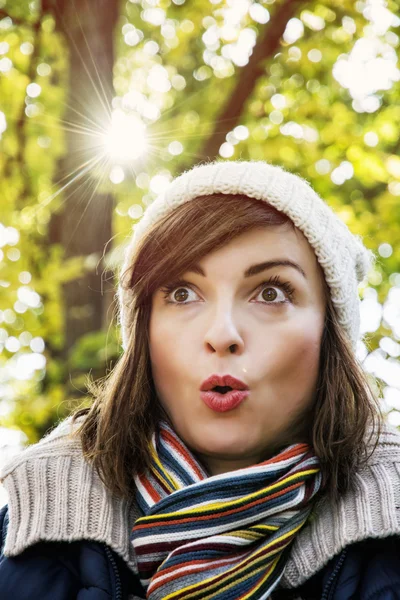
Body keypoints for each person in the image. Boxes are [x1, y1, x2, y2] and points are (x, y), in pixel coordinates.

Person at [1, 159, 400, 600]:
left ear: (331, 333)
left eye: (271, 292)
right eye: (182, 293)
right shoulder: (21, 537)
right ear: (144, 334)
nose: (222, 334)